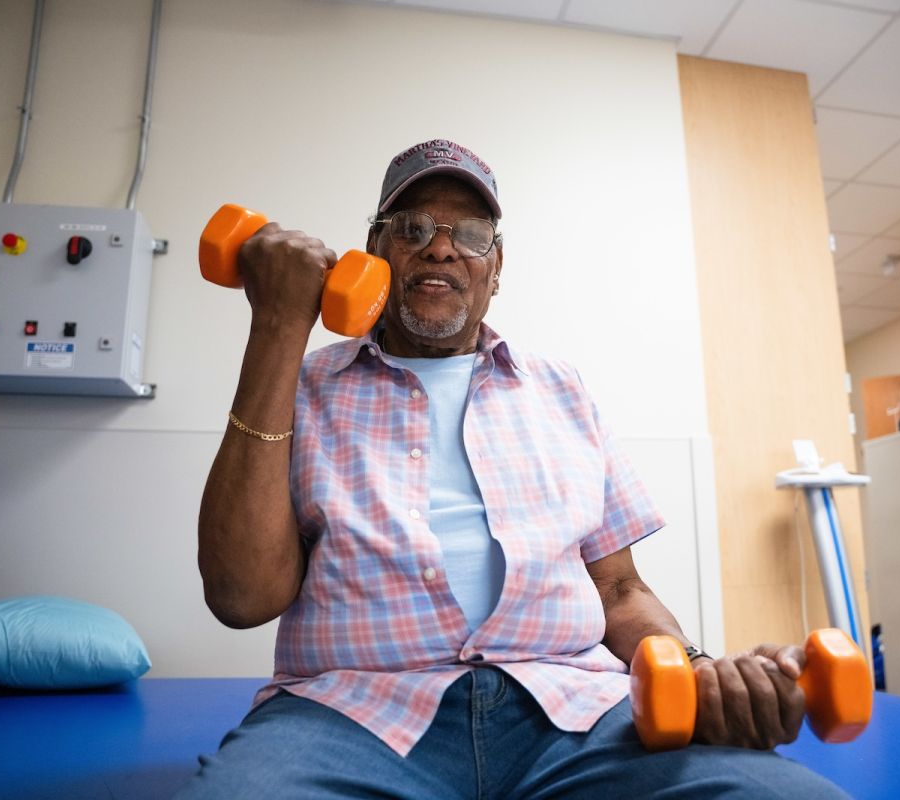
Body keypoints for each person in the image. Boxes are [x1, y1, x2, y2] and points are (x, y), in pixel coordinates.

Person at [180, 139, 849, 798]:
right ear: (375, 253)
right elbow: (242, 599)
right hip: (351, 711)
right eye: (413, 228)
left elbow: (619, 591)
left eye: (469, 233)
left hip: (576, 711)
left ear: (496, 267)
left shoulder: (562, 389)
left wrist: (693, 666)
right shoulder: (301, 384)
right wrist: (278, 324)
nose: (441, 247)